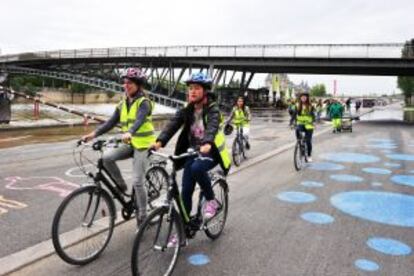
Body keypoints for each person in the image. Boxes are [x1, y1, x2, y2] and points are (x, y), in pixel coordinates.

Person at [152, 72, 231, 224]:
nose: (192, 91)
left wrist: (207, 142)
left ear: (205, 91)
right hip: (193, 152)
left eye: (196, 88)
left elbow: (213, 126)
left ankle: (211, 201)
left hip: (211, 152)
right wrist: (160, 141)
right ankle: (184, 229)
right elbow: (173, 124)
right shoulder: (187, 109)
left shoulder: (213, 109)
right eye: (190, 88)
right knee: (185, 192)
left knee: (197, 168)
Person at [82, 67, 155, 226]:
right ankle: (121, 185)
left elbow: (139, 120)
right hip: (129, 143)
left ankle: (143, 217)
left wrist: (130, 132)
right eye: (125, 82)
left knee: (137, 181)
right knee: (106, 157)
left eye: (130, 83)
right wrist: (93, 135)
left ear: (138, 85)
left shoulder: (144, 103)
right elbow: (110, 123)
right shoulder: (122, 104)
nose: (126, 85)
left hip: (143, 145)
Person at [295, 92, 315, 162]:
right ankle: (300, 143)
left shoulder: (310, 106)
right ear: (300, 98)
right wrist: (291, 122)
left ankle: (309, 155)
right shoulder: (298, 106)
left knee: (308, 141)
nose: (303, 98)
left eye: (305, 97)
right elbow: (294, 115)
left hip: (309, 125)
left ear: (307, 98)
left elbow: (313, 115)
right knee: (297, 129)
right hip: (301, 124)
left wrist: (313, 121)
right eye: (302, 97)